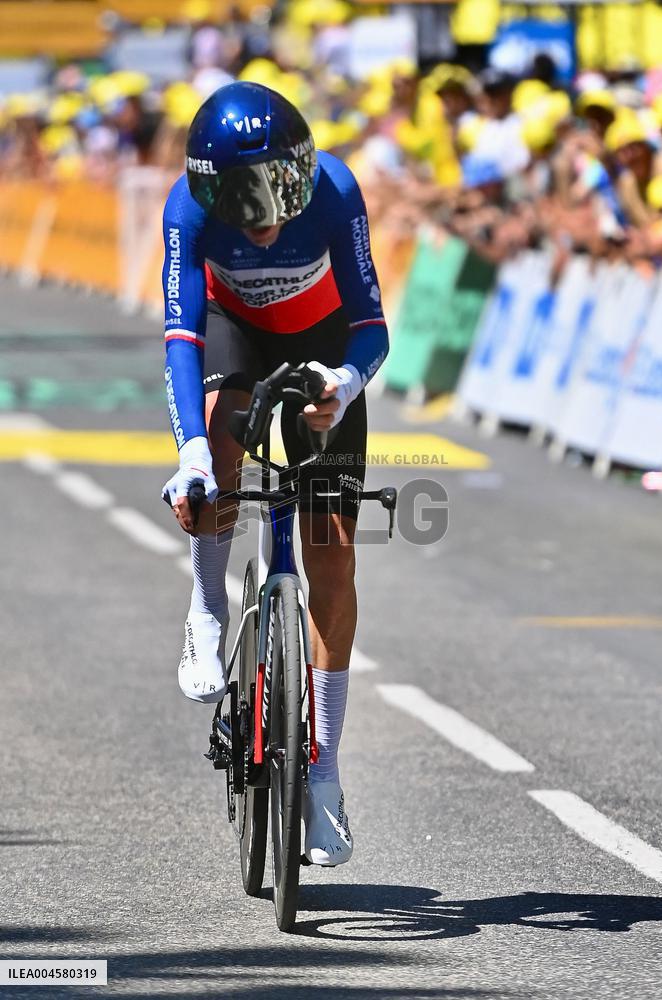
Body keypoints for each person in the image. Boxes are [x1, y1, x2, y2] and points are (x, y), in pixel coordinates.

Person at [161, 81, 388, 867]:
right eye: (243, 202)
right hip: (234, 336)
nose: (264, 220)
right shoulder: (186, 212)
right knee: (218, 447)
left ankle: (323, 775)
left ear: (304, 172)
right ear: (209, 191)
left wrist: (345, 384)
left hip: (321, 346)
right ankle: (206, 608)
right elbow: (183, 336)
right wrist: (193, 451)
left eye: (280, 193)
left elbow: (371, 326)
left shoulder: (337, 192)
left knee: (333, 555)